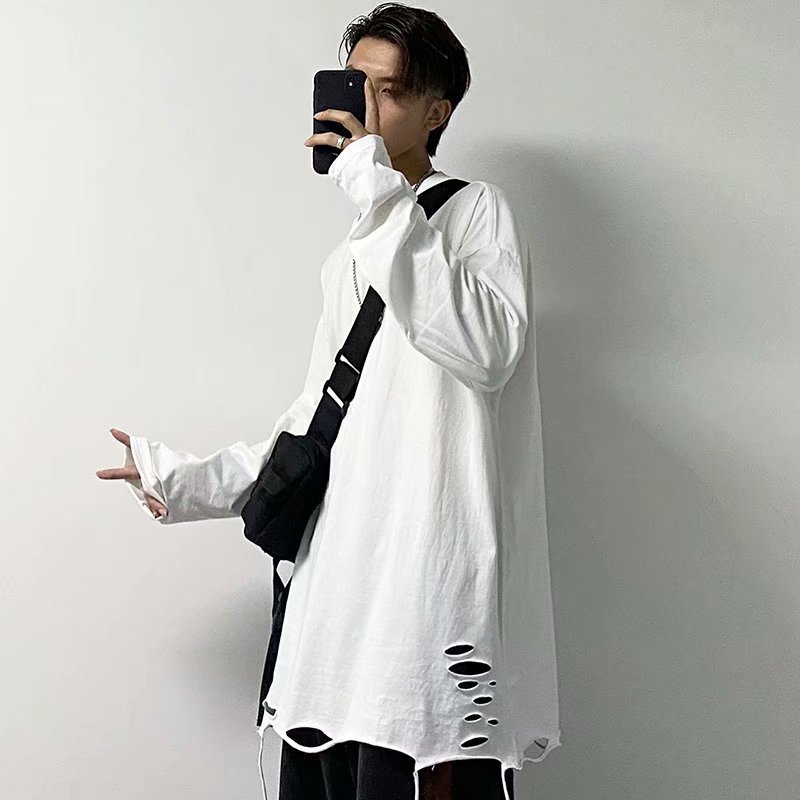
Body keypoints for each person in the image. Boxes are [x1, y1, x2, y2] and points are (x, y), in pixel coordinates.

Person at [96, 4, 560, 799]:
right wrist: (182, 479)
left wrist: (375, 190)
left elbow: (487, 349)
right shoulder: (355, 250)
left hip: (424, 600)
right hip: (335, 598)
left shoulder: (475, 211)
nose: (366, 107)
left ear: (437, 111)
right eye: (355, 85)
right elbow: (319, 423)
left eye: (390, 90)